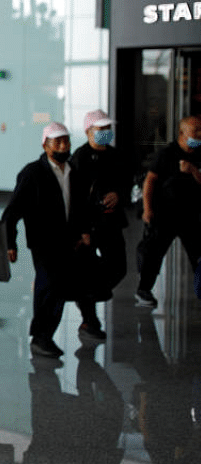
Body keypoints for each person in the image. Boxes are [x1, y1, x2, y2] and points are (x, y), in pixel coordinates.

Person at [3, 122, 95, 358]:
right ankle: (40, 337)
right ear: (45, 145)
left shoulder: (73, 171)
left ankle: (45, 335)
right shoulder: (33, 173)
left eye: (66, 141)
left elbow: (80, 206)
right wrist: (9, 242)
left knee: (59, 288)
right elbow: (12, 211)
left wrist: (84, 231)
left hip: (69, 241)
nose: (63, 146)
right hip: (43, 242)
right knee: (48, 286)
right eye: (58, 142)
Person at [69, 109, 133, 339]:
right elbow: (74, 197)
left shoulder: (117, 156)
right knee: (85, 269)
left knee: (118, 267)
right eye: (100, 129)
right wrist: (81, 230)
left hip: (111, 222)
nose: (105, 132)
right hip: (87, 224)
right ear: (88, 132)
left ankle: (91, 294)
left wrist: (119, 194)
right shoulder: (79, 158)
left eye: (108, 128)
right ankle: (89, 320)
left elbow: (127, 184)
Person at [135, 115, 201, 308]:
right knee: (154, 253)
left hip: (191, 215)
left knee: (198, 254)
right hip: (165, 214)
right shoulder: (166, 154)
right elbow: (150, 181)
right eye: (195, 130)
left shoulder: (199, 154)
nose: (199, 134)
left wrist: (194, 171)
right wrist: (147, 209)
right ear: (182, 133)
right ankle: (144, 290)